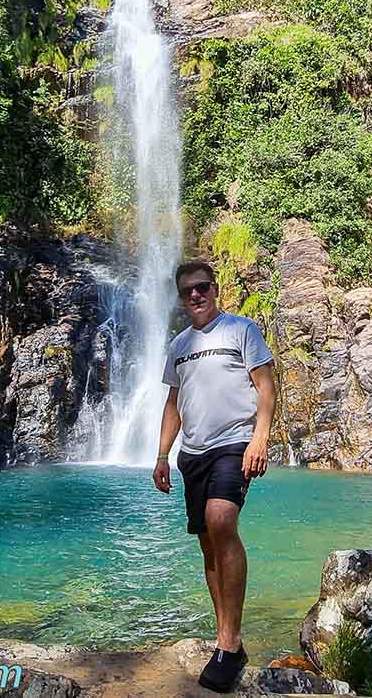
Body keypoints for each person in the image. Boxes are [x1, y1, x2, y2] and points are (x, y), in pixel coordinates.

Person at [152, 260, 275, 693]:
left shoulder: (242, 330)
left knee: (222, 520)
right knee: (208, 544)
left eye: (202, 287)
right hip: (193, 453)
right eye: (187, 291)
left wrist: (260, 439)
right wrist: (162, 454)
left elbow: (265, 386)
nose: (196, 296)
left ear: (214, 288)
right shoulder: (178, 345)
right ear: (181, 298)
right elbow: (173, 403)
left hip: (234, 442)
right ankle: (227, 640)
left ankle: (229, 641)